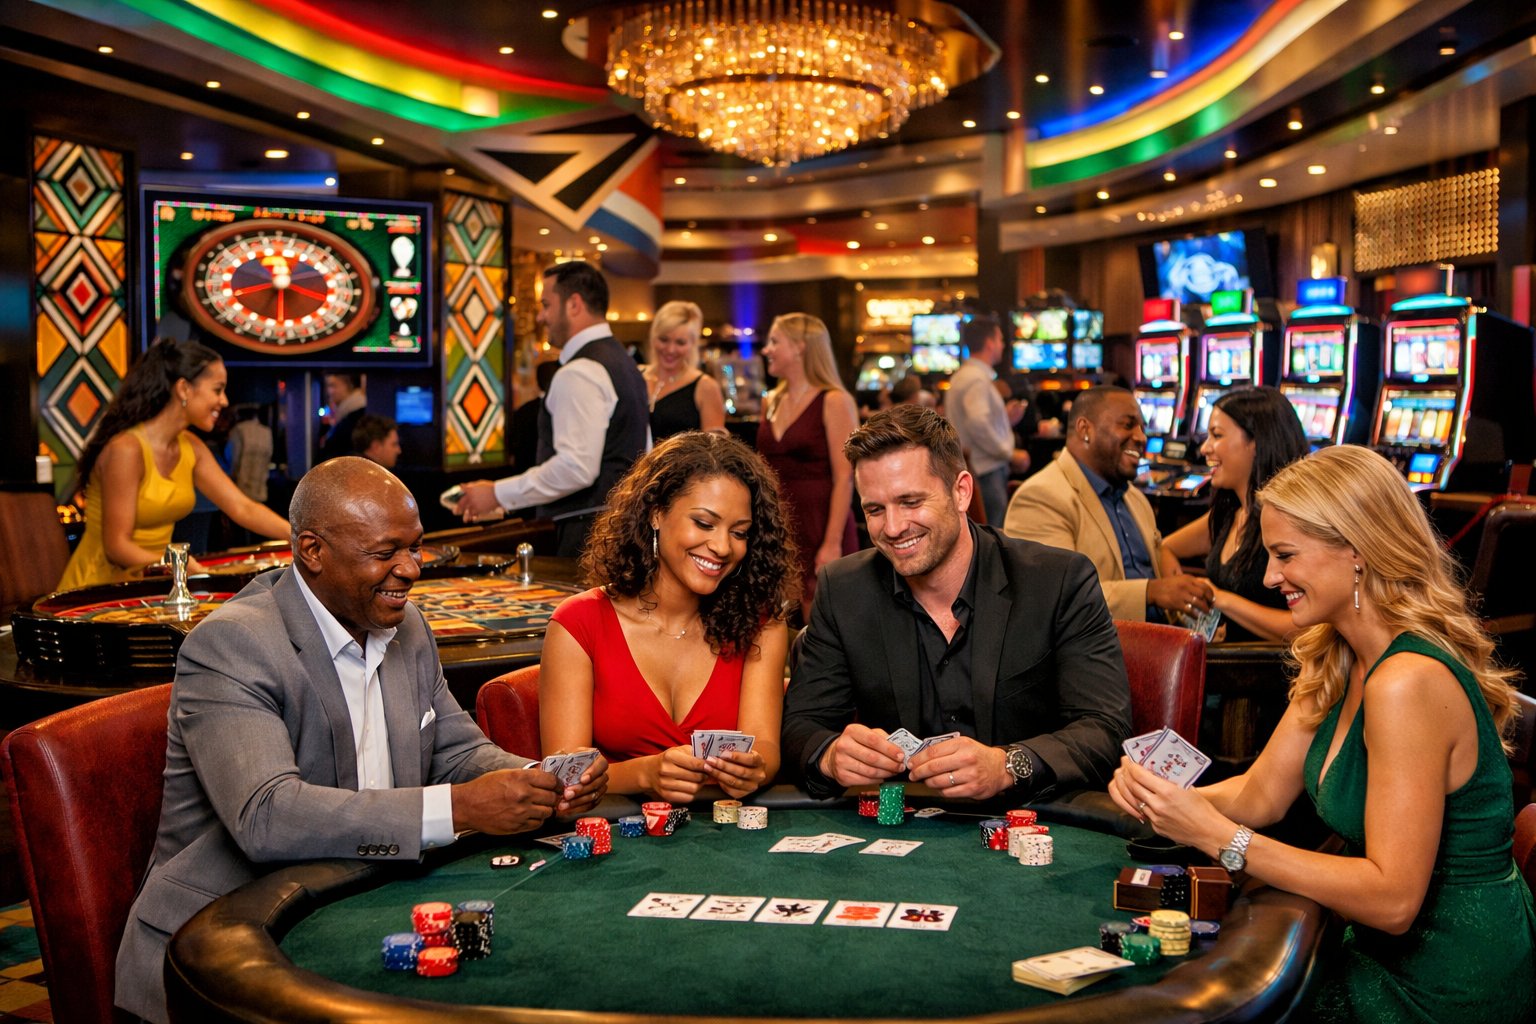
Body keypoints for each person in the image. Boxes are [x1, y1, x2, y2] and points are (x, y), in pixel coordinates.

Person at [113, 458, 608, 1024]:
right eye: (385, 553)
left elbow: (457, 750)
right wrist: (462, 807)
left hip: (354, 904)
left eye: (416, 548)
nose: (411, 569)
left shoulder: (407, 627)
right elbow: (268, 815)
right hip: (218, 951)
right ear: (311, 550)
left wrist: (538, 778)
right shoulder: (232, 644)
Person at [1110, 444, 1535, 1023]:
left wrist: (1222, 838)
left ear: (1358, 551)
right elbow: (1259, 794)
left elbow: (1393, 900)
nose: (1268, 576)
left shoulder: (1406, 682)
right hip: (1370, 943)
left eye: (1286, 555)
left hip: (1442, 977)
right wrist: (1160, 801)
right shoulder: (1336, 652)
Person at [781, 404, 1132, 803]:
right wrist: (829, 756)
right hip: (904, 828)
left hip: (1035, 820)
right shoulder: (844, 590)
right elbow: (801, 726)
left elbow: (1106, 730)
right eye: (875, 510)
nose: (893, 528)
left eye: (911, 502)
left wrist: (1007, 765)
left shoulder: (1058, 581)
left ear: (961, 491)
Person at [540, 432, 800, 803]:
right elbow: (565, 780)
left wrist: (755, 769)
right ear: (656, 513)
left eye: (739, 532)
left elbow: (766, 748)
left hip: (726, 836)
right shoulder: (579, 623)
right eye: (705, 524)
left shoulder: (762, 624)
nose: (723, 547)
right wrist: (645, 773)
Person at [57, 338, 290, 590]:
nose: (224, 401)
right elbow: (117, 547)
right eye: (217, 389)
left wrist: (299, 537)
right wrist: (177, 563)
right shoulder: (126, 449)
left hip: (156, 583)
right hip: (98, 591)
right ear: (184, 389)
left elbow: (242, 507)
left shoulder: (191, 445)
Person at [453, 261, 650, 557]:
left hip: (584, 537)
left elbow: (576, 468)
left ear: (574, 304)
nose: (541, 316)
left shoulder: (581, 370)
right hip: (621, 530)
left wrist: (496, 493)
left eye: (546, 304)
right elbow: (643, 454)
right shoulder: (624, 364)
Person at [1004, 385, 1213, 622]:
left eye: (1143, 428)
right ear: (1085, 430)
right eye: (1127, 425)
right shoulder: (1041, 497)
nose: (1141, 437)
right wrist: (1150, 592)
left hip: (1161, 644)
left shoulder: (1134, 497)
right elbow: (1054, 598)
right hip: (1095, 653)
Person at [1161, 386, 1308, 641]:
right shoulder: (1232, 513)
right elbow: (1164, 548)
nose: (1205, 448)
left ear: (1257, 442)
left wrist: (1221, 600)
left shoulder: (1293, 521)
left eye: (1216, 435)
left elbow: (1308, 630)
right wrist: (1195, 608)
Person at [756, 312, 859, 618]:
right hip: (778, 522)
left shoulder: (834, 400)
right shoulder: (770, 400)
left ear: (800, 347)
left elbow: (845, 478)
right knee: (776, 619)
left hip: (820, 521)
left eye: (775, 341)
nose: (766, 349)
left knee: (824, 619)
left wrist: (831, 542)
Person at [945, 315, 1029, 525]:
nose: (1002, 345)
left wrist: (1004, 418)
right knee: (992, 534)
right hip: (986, 470)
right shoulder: (975, 378)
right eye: (1000, 340)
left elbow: (976, 422)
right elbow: (978, 424)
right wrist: (1009, 453)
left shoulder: (966, 375)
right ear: (990, 343)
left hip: (980, 466)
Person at [644, 299, 726, 440]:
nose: (670, 349)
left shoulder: (706, 386)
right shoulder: (636, 377)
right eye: (664, 339)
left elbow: (714, 452)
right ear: (653, 338)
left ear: (693, 344)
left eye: (680, 342)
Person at [511, 360, 559, 471]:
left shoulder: (523, 410)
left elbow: (514, 446)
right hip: (551, 476)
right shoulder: (561, 409)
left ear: (537, 383)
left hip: (524, 474)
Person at [317, 372, 367, 463]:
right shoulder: (346, 414)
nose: (329, 391)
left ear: (349, 385)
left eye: (333, 386)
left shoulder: (354, 418)